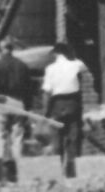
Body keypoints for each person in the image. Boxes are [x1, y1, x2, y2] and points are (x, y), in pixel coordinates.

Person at [39, 40, 93, 178]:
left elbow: (46, 92)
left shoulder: (50, 69)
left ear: (56, 53)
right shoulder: (77, 64)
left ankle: (57, 174)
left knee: (57, 140)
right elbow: (88, 76)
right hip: (73, 104)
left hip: (57, 104)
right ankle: (72, 173)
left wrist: (45, 113)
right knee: (73, 139)